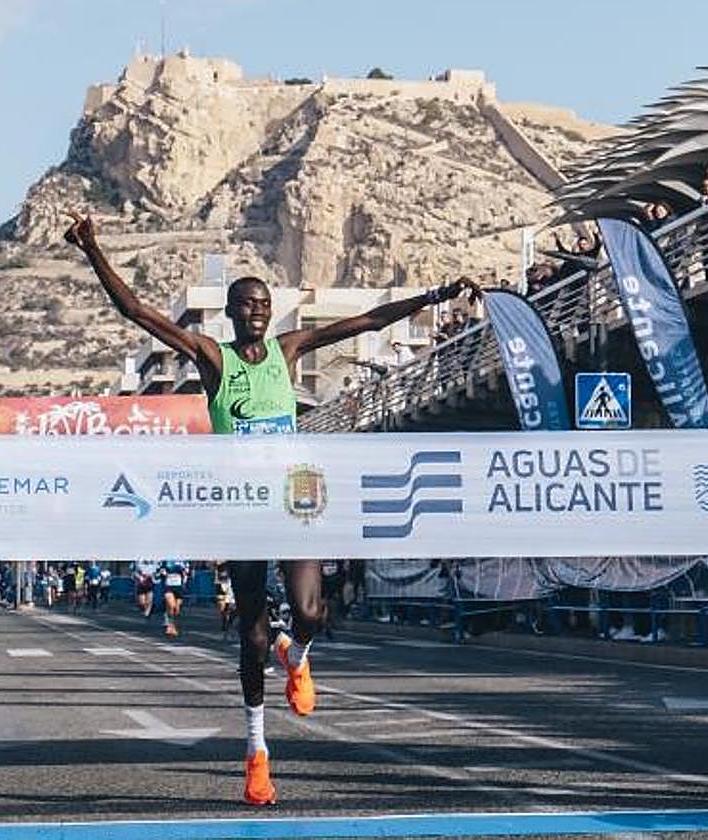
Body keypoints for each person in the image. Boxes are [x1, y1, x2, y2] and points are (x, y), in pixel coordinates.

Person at [65, 211, 479, 806]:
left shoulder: (289, 349)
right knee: (252, 636)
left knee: (311, 612)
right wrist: (92, 249)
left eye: (263, 302)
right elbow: (139, 313)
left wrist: (437, 294)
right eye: (247, 303)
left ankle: (299, 652)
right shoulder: (213, 358)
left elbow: (368, 318)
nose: (257, 309)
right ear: (233, 313)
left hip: (294, 498)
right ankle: (257, 752)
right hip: (240, 508)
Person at [155, 559, 189, 638]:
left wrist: (184, 575)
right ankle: (170, 627)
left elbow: (187, 572)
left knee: (176, 610)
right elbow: (158, 571)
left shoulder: (183, 560)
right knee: (171, 606)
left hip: (179, 587)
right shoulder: (165, 560)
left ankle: (172, 625)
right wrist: (162, 573)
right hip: (168, 586)